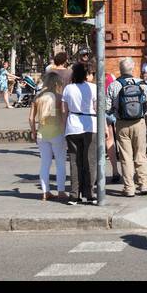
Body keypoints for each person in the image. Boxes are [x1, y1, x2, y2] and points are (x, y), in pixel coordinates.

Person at [108, 57, 147, 197]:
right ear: (133, 69)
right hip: (139, 122)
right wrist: (143, 112)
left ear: (120, 70)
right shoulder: (141, 84)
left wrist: (114, 112)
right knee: (140, 154)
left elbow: (107, 106)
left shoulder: (114, 85)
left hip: (122, 124)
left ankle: (129, 188)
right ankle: (144, 185)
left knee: (126, 157)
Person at [63, 63, 98, 204]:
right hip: (90, 124)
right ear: (86, 75)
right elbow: (97, 108)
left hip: (72, 125)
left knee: (74, 161)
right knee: (90, 161)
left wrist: (64, 128)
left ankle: (74, 195)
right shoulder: (93, 88)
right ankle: (89, 193)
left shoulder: (68, 88)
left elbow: (64, 111)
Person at [30, 71, 68, 201]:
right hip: (57, 133)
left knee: (45, 164)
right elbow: (63, 117)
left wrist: (34, 132)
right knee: (60, 163)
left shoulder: (37, 98)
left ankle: (45, 192)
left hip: (41, 134)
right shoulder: (59, 97)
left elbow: (30, 118)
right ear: (57, 83)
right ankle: (61, 191)